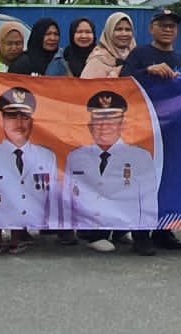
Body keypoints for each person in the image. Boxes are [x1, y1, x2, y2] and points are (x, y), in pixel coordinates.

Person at [114, 9, 181, 255]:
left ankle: (162, 229)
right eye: (163, 25)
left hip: (174, 129)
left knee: (169, 180)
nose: (168, 29)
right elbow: (123, 83)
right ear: (152, 28)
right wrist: (148, 71)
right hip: (144, 127)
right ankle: (140, 232)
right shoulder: (141, 54)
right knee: (143, 181)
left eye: (172, 26)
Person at [0, 87, 59, 251]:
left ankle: (20, 235)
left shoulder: (47, 156)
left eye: (25, 116)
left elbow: (53, 198)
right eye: (11, 116)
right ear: (2, 119)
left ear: (32, 120)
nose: (18, 123)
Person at [64, 91, 158, 251]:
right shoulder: (76, 157)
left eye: (111, 120)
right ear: (89, 125)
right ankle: (95, 234)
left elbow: (147, 199)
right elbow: (68, 196)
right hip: (92, 221)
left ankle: (139, 236)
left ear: (123, 124)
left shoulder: (140, 157)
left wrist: (143, 232)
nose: (104, 126)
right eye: (98, 120)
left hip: (129, 217)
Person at [81, 12, 137, 79]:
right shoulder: (98, 59)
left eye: (128, 29)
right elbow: (86, 87)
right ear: (109, 32)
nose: (124, 33)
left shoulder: (136, 55)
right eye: (118, 29)